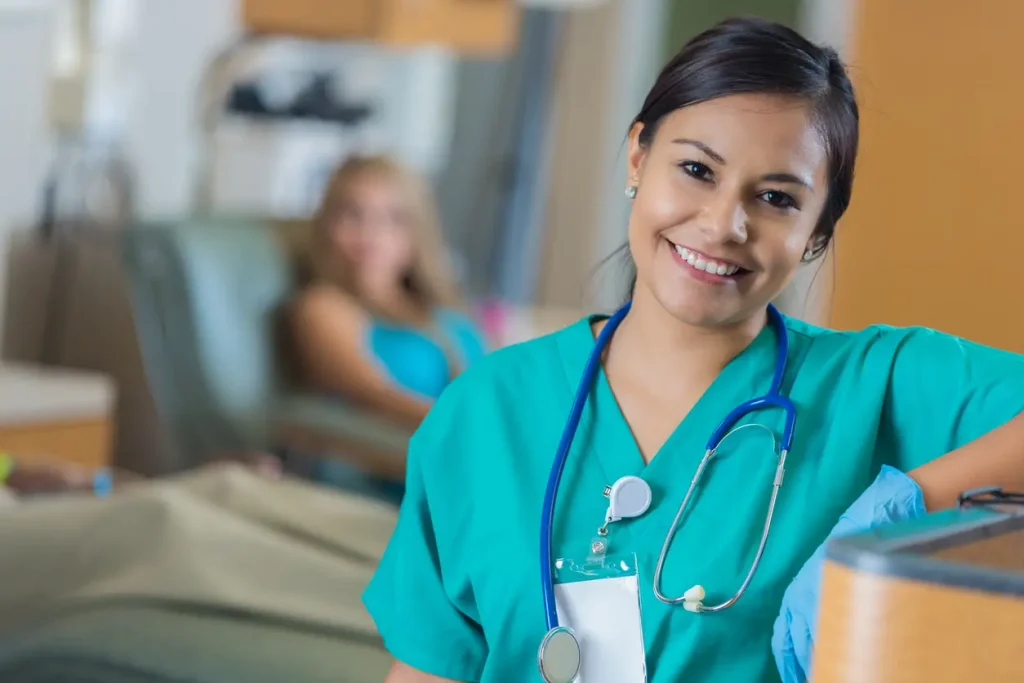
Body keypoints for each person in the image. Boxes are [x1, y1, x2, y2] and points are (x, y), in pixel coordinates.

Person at [362, 17, 1024, 683]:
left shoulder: (877, 385)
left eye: (776, 198)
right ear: (636, 158)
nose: (722, 224)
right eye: (696, 169)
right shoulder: (486, 411)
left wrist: (907, 506)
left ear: (817, 232)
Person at [286, 154, 488, 498]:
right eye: (353, 215)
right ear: (327, 226)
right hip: (398, 475)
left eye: (393, 219)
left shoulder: (442, 313)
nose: (371, 234)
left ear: (415, 235)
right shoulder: (325, 305)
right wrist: (476, 431)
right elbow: (373, 395)